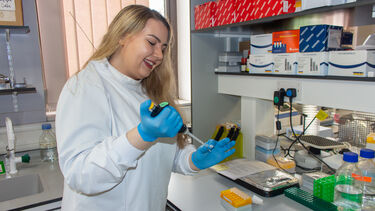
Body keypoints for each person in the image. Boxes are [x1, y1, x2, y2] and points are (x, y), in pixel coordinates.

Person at [55, 5, 235, 211]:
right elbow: (81, 175)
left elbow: (163, 157)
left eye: (164, 48)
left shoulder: (150, 92)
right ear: (122, 36)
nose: (159, 55)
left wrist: (193, 160)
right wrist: (141, 135)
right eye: (151, 43)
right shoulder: (85, 87)